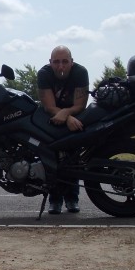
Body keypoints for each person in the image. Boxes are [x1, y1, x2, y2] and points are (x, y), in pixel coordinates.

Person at [37, 45, 89, 215]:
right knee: (52, 159)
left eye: (65, 62)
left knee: (72, 158)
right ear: (50, 62)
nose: (61, 66)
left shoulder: (80, 72)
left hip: (75, 117)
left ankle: (72, 198)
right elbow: (49, 106)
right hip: (53, 117)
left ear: (71, 62)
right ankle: (55, 200)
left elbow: (80, 105)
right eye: (56, 62)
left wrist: (67, 114)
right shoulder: (44, 74)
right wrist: (65, 116)